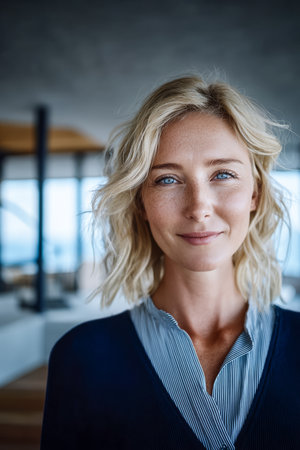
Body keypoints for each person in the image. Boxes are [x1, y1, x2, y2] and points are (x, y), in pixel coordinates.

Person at [41, 76, 300, 450]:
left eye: (223, 175)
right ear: (140, 203)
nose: (198, 207)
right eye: (167, 180)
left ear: (255, 192)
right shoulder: (80, 356)